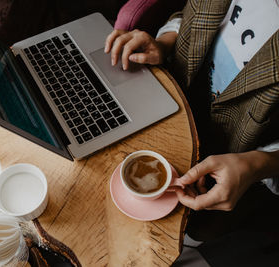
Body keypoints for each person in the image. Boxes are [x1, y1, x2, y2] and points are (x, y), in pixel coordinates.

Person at [105, 0, 279, 241]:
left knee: (188, 231)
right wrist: (163, 45)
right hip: (165, 102)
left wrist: (258, 164)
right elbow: (190, 13)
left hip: (231, 162)